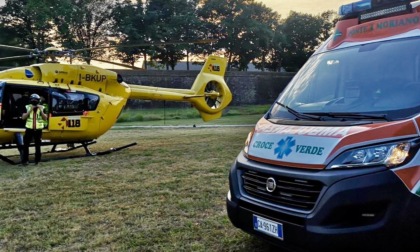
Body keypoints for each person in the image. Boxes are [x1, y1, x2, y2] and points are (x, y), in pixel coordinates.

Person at [21, 93, 48, 165]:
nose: (34, 101)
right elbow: (23, 117)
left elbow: (45, 118)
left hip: (38, 129)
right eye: (33, 100)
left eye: (35, 100)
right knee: (26, 145)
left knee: (38, 145)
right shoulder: (27, 107)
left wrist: (41, 110)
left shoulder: (42, 107)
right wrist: (30, 110)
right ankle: (25, 160)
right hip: (29, 128)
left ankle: (37, 160)